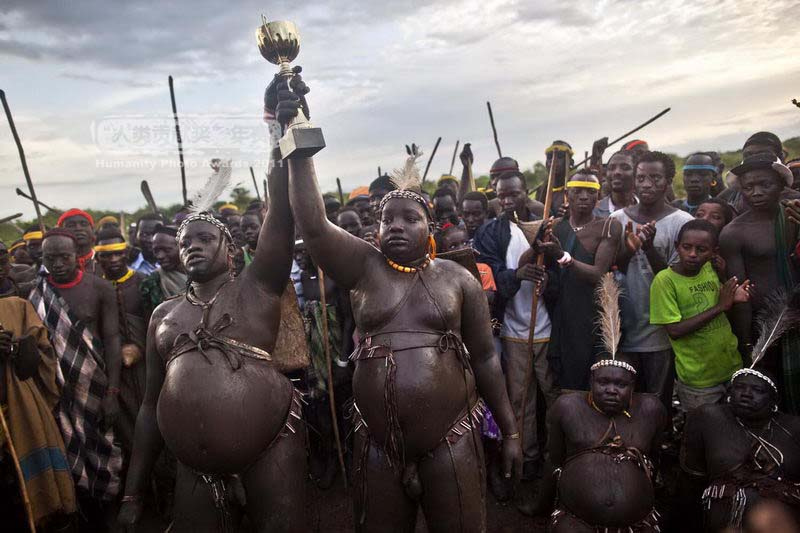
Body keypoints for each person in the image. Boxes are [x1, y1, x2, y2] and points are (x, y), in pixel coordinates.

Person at [284, 75, 521, 528]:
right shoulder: (363, 268)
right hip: (375, 440)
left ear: (429, 227)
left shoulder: (457, 278)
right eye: (386, 218)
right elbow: (312, 225)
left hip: (450, 437)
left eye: (409, 218)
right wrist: (296, 133)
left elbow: (487, 359)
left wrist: (509, 430)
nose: (395, 225)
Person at [117, 151, 304, 531]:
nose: (192, 246)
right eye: (186, 242)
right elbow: (150, 407)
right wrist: (133, 493)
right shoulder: (164, 315)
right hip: (195, 470)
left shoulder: (257, 288)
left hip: (270, 450)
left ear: (231, 249)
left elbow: (281, 215)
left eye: (205, 238)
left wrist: (276, 138)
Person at [526, 306, 667, 532]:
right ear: (591, 382)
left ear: (633, 387)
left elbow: (655, 460)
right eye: (603, 383)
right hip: (576, 522)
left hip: (638, 524)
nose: (611, 390)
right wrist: (541, 505)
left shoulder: (651, 409)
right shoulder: (568, 407)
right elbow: (554, 461)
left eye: (621, 384)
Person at [28, 229, 123, 522]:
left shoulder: (100, 289)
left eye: (64, 257)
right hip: (58, 393)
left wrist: (112, 393)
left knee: (107, 452)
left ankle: (113, 511)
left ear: (78, 256)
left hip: (96, 388)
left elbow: (112, 340)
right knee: (70, 456)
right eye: (50, 257)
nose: (57, 263)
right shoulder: (34, 296)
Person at [474, 170, 557, 480]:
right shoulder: (490, 232)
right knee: (521, 400)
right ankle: (527, 459)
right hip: (514, 331)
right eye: (501, 195)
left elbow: (561, 275)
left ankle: (554, 461)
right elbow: (492, 279)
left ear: (526, 193)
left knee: (553, 397)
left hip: (548, 330)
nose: (507, 200)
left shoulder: (546, 228)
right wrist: (518, 273)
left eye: (514, 194)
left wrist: (548, 280)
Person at [610, 151, 694, 407]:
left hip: (660, 331)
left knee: (657, 402)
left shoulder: (682, 223)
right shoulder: (616, 220)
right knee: (623, 400)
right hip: (623, 329)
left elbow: (677, 280)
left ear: (669, 180)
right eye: (641, 177)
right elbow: (612, 271)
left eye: (655, 178)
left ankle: (658, 446)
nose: (647, 184)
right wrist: (629, 249)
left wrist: (648, 249)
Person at [720, 153, 800, 411]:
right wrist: (746, 343)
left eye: (765, 185)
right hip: (766, 327)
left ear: (782, 185)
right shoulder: (734, 232)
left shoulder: (795, 215)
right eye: (748, 187)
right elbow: (741, 292)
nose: (756, 192)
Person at [681, 368, 800, 531]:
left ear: (774, 401)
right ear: (729, 392)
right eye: (739, 387)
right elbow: (691, 480)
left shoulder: (793, 428)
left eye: (757, 390)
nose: (746, 394)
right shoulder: (709, 418)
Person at [536, 170, 623, 390]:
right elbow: (538, 265)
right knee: (565, 382)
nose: (584, 196)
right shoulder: (554, 226)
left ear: (598, 195)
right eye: (578, 191)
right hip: (561, 314)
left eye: (590, 191)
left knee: (595, 380)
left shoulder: (609, 226)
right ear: (567, 194)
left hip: (592, 314)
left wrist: (562, 256)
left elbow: (597, 274)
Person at [649, 219, 747, 411]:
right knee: (702, 429)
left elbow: (724, 299)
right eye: (687, 247)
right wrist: (720, 307)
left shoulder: (710, 269)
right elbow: (674, 330)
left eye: (701, 249)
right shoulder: (665, 281)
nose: (693, 254)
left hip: (730, 366)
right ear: (677, 247)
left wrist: (731, 290)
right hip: (698, 378)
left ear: (713, 252)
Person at [0, 296, 77, 530]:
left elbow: (31, 367)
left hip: (20, 414)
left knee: (30, 501)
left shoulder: (16, 307)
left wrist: (16, 348)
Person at [94, 227, 149, 456]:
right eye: (107, 255)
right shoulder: (95, 288)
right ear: (98, 257)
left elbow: (159, 325)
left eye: (118, 253)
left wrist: (140, 347)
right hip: (114, 373)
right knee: (127, 435)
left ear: (126, 252)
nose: (114, 259)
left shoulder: (145, 283)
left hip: (148, 368)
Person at [140, 225, 188, 318]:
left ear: (182, 247)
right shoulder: (152, 282)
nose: (160, 256)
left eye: (167, 250)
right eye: (156, 251)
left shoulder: (202, 276)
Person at [594, 149, 638, 218]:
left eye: (625, 168)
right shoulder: (593, 212)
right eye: (611, 168)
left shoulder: (651, 210)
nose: (617, 172)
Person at [535, 140, 573, 216]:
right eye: (550, 157)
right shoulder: (541, 190)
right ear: (546, 164)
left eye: (559, 156)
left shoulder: (575, 188)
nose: (553, 160)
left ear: (571, 163)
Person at [56, 209, 97, 273]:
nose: (78, 228)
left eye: (84, 224)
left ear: (92, 230)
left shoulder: (103, 260)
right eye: (71, 225)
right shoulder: (56, 265)